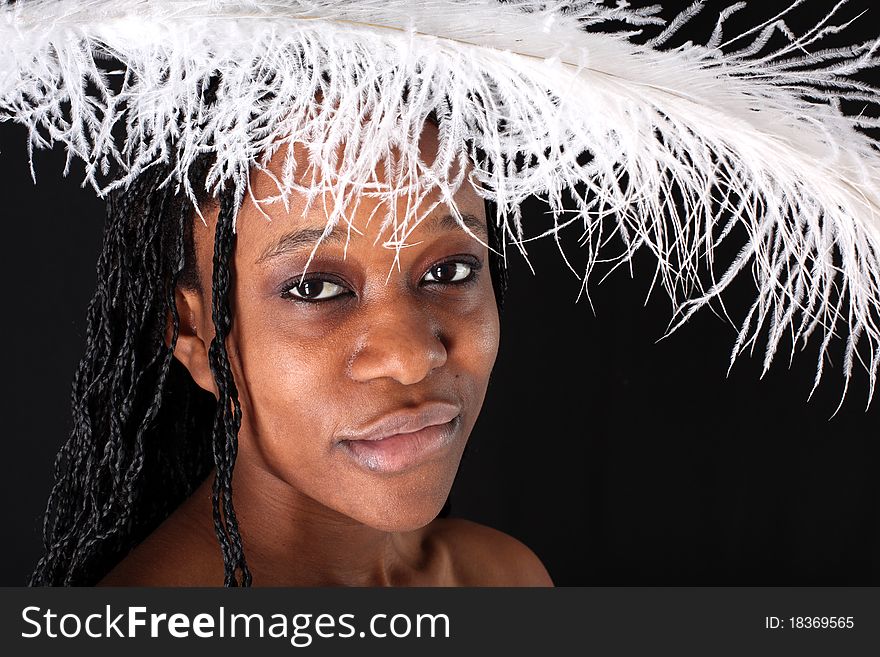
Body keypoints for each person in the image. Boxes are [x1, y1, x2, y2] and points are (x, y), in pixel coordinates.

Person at [29, 110, 552, 586]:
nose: (412, 358)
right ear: (193, 332)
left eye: (450, 272)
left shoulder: (503, 579)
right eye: (315, 288)